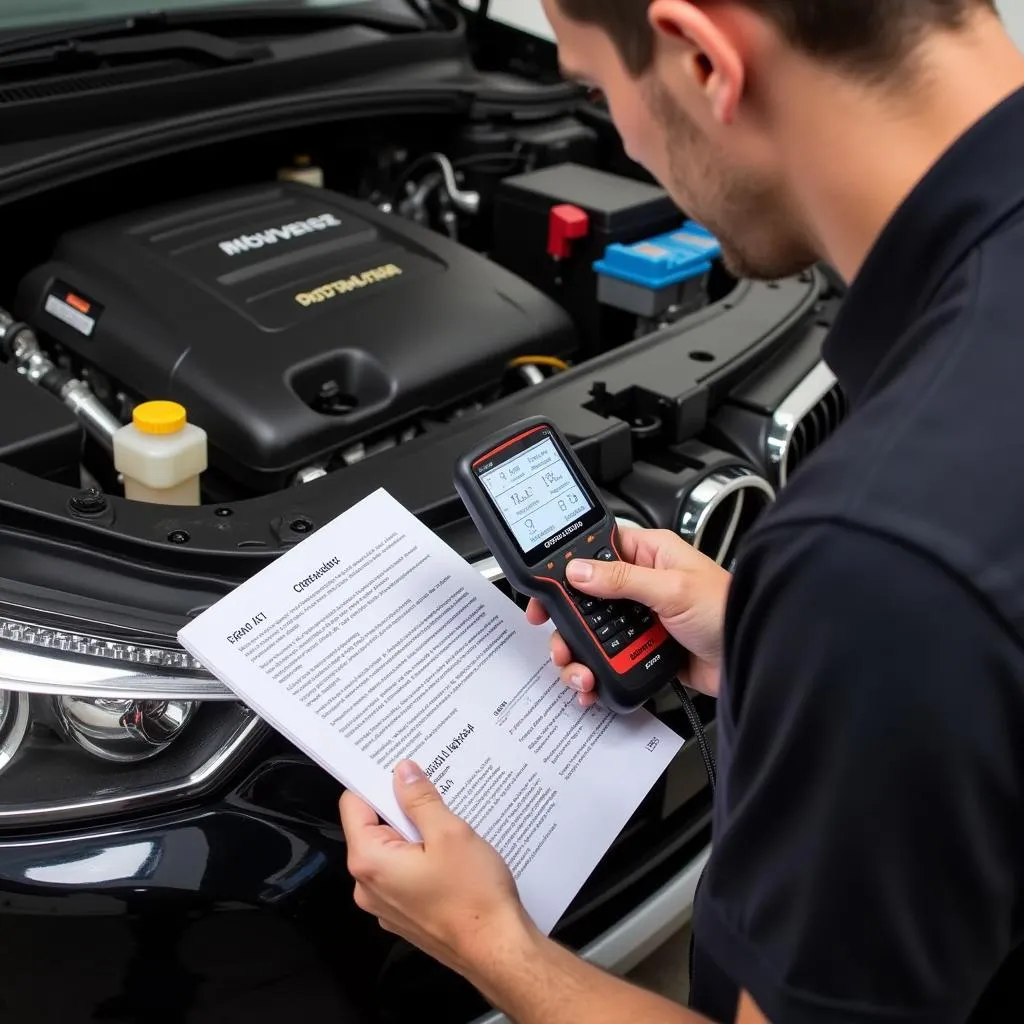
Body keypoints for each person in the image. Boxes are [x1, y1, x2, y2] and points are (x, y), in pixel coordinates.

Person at [339, 0, 1024, 1021]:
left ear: (703, 59)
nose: (613, 131)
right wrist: (783, 646)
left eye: (593, 89)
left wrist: (486, 941)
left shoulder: (876, 561)